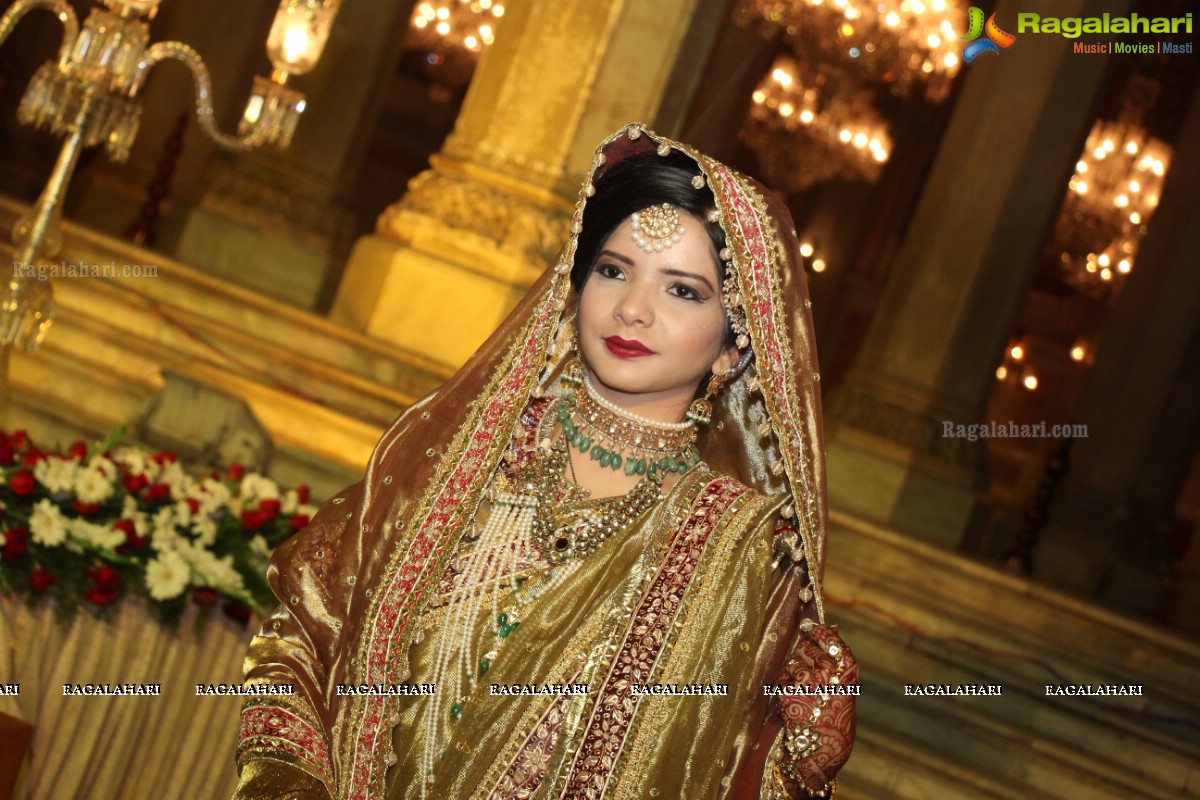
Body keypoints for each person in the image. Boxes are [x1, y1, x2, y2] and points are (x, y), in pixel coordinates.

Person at [232, 124, 856, 800]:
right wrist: (284, 779)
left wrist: (799, 764)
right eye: (613, 271)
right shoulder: (457, 461)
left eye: (682, 291)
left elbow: (725, 773)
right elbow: (301, 637)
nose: (633, 309)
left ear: (735, 348)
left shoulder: (745, 549)